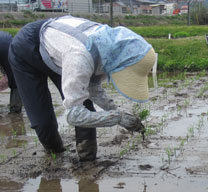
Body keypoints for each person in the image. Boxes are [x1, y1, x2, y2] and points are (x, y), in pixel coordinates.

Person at [8, 15, 156, 161]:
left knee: (85, 103)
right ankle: (55, 154)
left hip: (63, 49)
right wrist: (117, 118)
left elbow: (94, 88)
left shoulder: (108, 49)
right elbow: (74, 115)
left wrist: (115, 110)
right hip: (26, 51)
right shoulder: (80, 57)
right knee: (42, 121)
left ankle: (87, 159)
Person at [0, 31, 22, 114]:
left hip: (7, 46)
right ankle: (15, 110)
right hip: (9, 46)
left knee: (14, 80)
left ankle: (15, 111)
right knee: (15, 80)